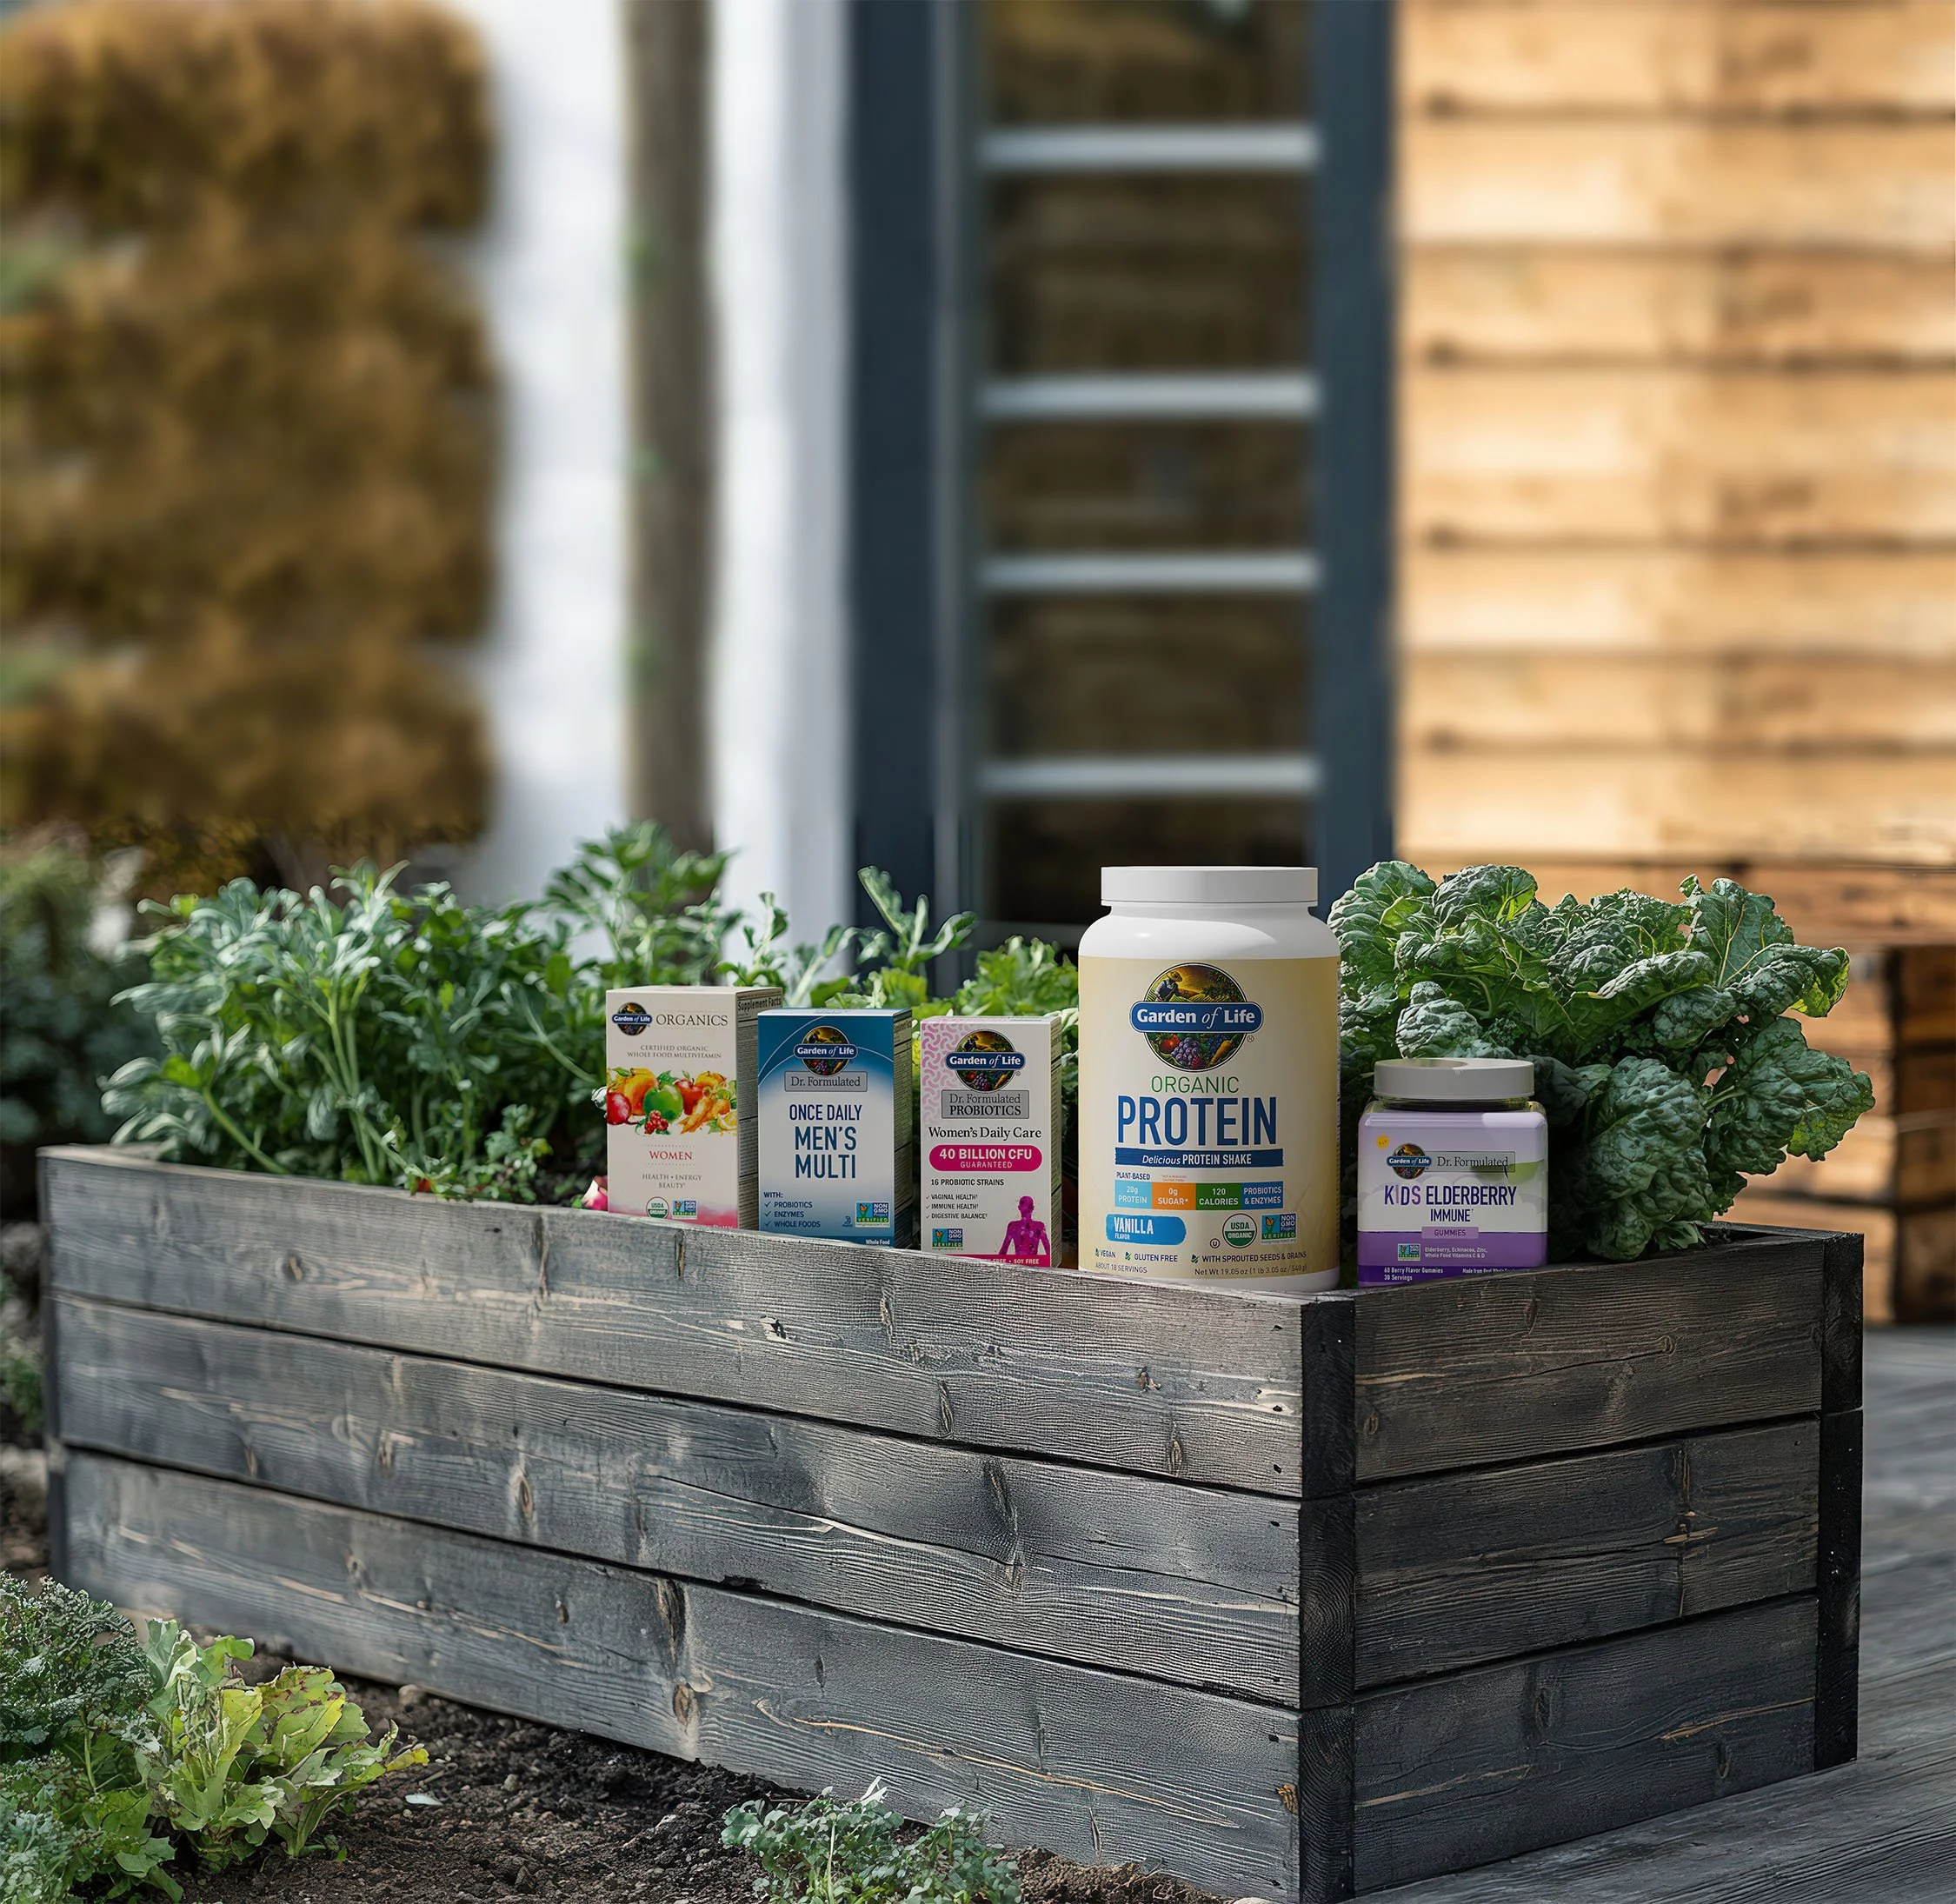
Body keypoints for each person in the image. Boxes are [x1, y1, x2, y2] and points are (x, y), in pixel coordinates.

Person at [995, 1195, 1050, 1267]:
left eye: (1028, 1206)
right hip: (1021, 1265)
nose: (1026, 1208)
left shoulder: (1039, 1226)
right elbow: (1004, 1250)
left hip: (1033, 1265)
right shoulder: (1013, 1226)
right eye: (1024, 1205)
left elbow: (1049, 1251)